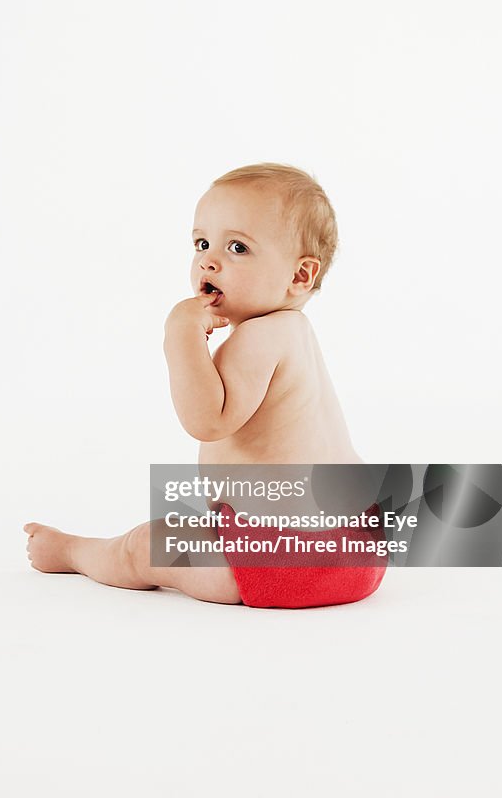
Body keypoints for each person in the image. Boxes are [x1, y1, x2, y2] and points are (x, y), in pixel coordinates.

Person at [23, 163, 384, 608]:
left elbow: (206, 421)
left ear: (298, 276)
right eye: (202, 243)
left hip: (286, 563)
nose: (209, 261)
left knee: (146, 546)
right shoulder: (296, 334)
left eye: (238, 248)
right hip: (359, 547)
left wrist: (180, 334)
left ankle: (74, 551)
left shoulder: (257, 338)